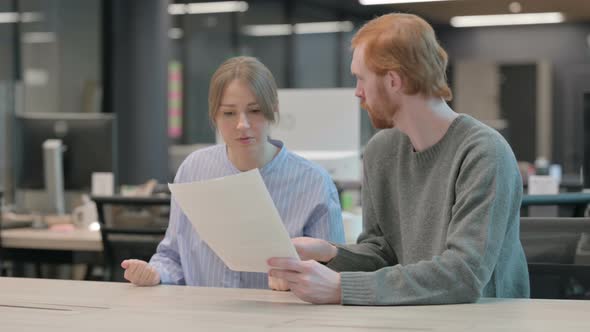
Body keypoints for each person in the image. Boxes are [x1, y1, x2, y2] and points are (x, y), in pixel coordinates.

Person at [268, 13, 530, 305]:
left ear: (393, 80)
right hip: (410, 316)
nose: (357, 92)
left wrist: (342, 287)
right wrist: (329, 253)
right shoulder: (381, 151)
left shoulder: (484, 152)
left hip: (480, 321)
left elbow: (463, 275)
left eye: (361, 78)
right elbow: (383, 253)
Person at [121, 56, 345, 289]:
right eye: (229, 113)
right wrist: (155, 272)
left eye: (255, 111)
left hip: (280, 321)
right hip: (201, 318)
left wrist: (297, 281)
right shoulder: (194, 169)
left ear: (273, 110)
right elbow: (173, 256)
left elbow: (333, 273)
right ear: (214, 115)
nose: (242, 124)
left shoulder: (314, 183)